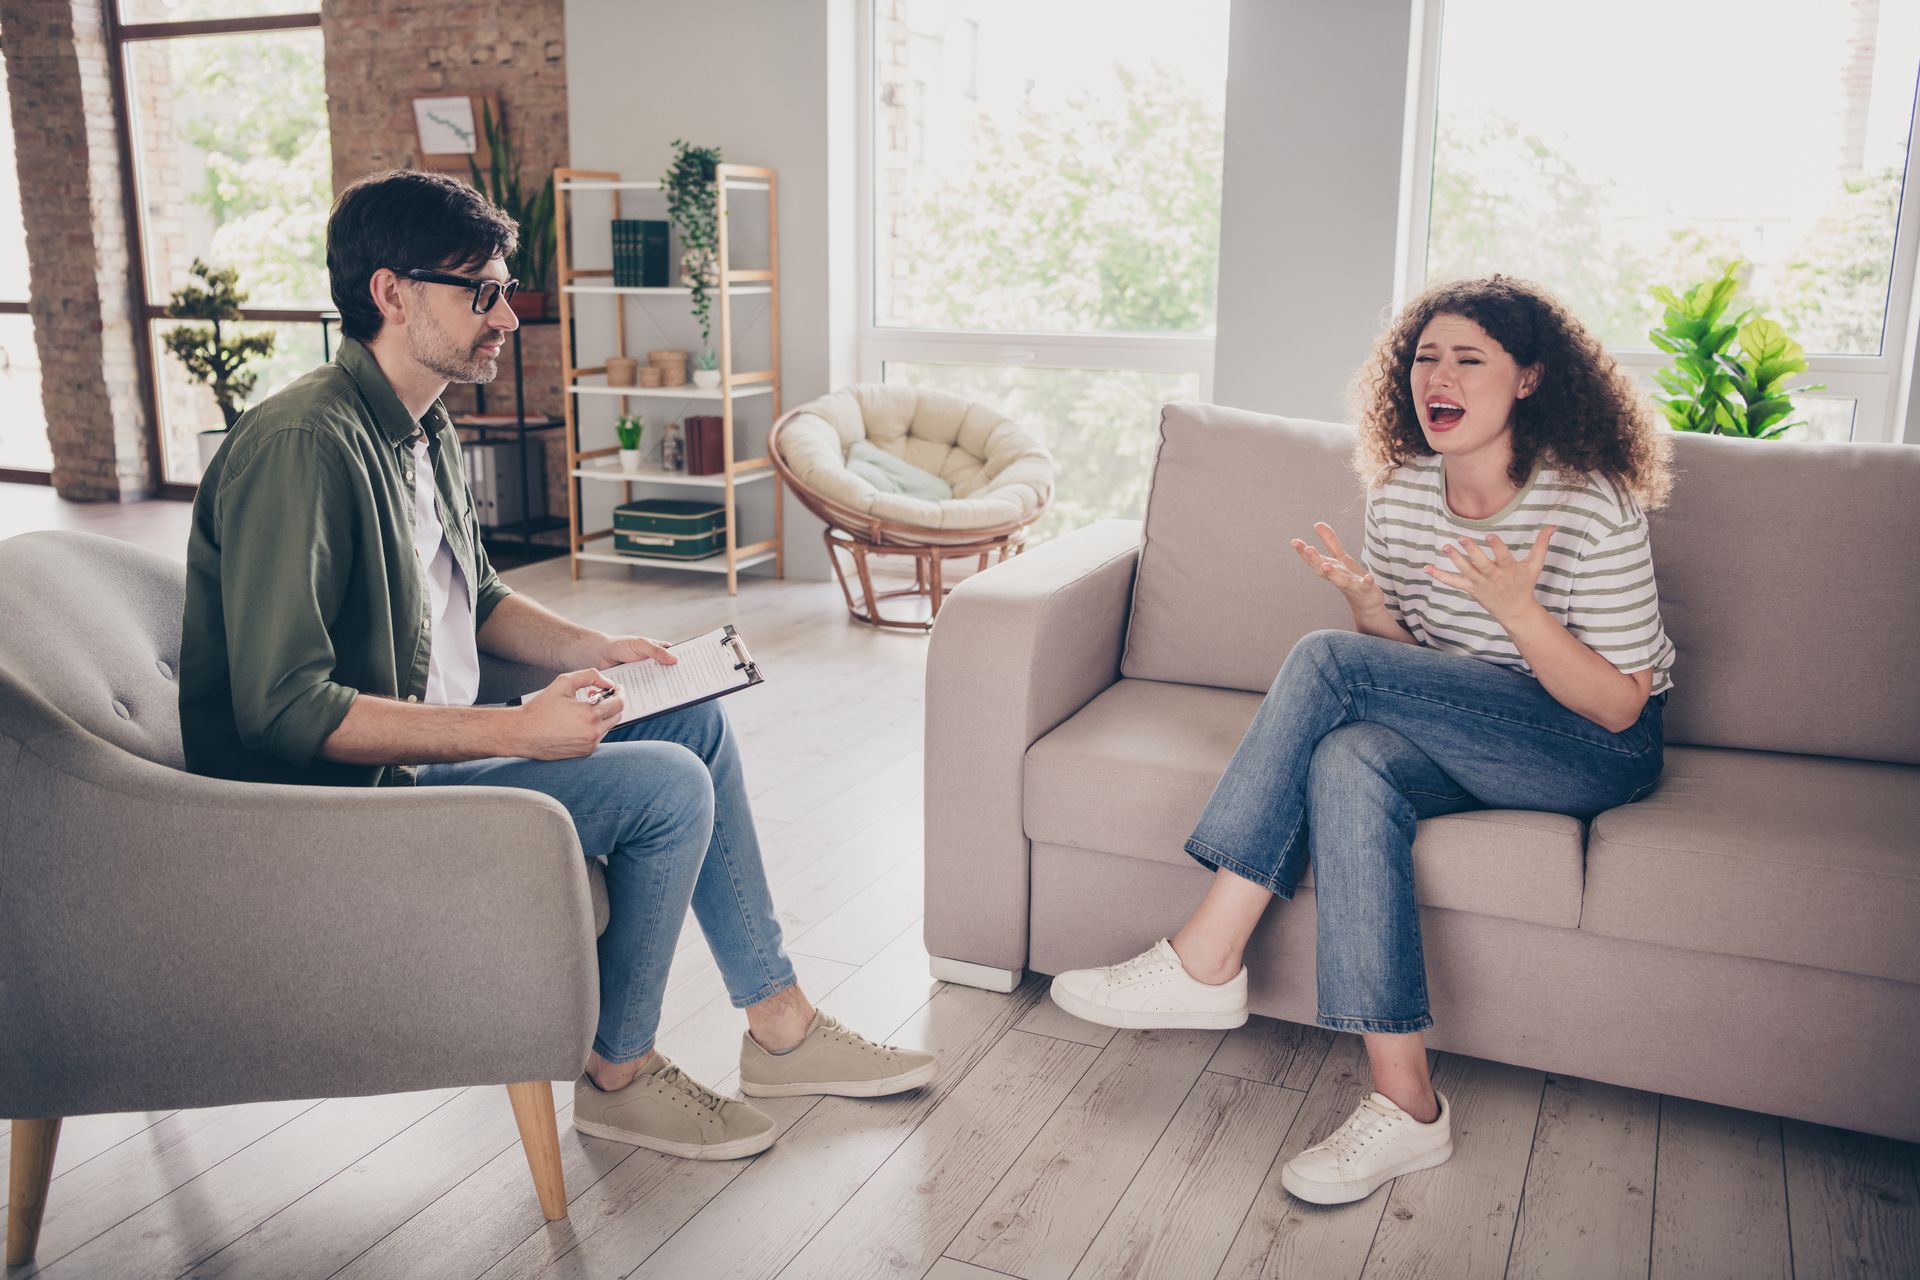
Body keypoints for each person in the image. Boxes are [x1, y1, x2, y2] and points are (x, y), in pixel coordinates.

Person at [180, 169, 934, 1163]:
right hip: (346, 803)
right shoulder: (303, 445)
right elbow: (283, 709)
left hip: (428, 752)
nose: (507, 319)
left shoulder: (424, 423)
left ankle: (780, 1021)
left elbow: (478, 596)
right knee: (666, 787)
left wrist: (596, 652)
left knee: (692, 720)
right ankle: (618, 1069)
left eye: (506, 291)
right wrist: (514, 728)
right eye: (480, 292)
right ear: (390, 295)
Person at [1048, 275, 1674, 1204]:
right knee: (1349, 757)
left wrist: (1520, 613)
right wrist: (1374, 612)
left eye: (1470, 358)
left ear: (1531, 380)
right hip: (1475, 729)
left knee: (1328, 664)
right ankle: (1406, 1106)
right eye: (1425, 358)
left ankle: (1207, 955)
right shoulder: (1404, 496)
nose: (1440, 376)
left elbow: (1619, 708)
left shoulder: (1591, 502)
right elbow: (1420, 676)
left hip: (1591, 747)